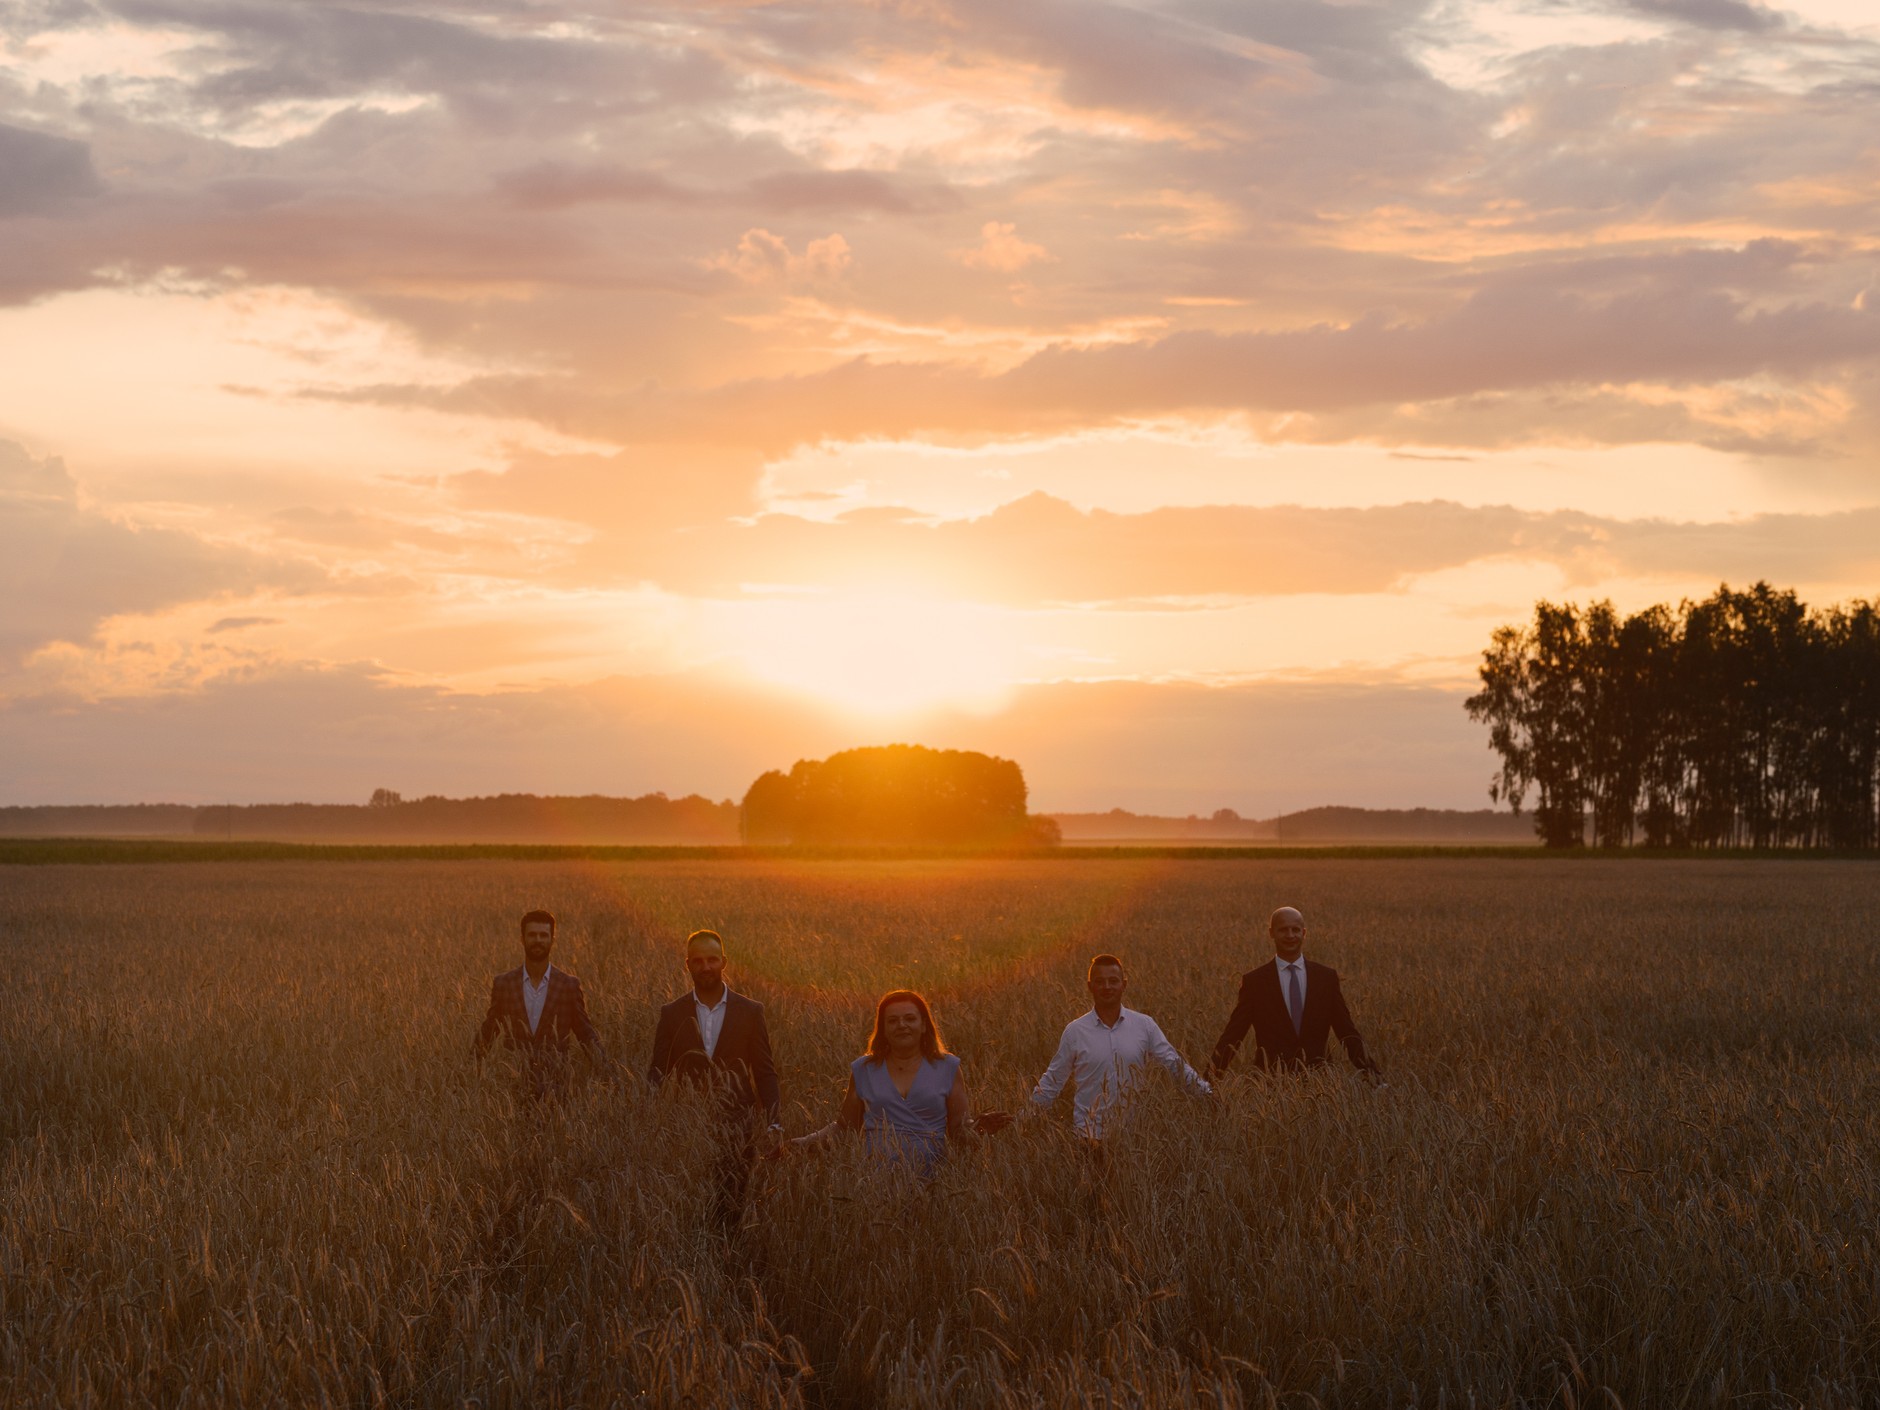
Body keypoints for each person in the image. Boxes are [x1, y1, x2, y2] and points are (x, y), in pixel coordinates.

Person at [788, 990, 1010, 1178]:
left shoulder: (948, 1067)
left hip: (935, 1178)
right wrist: (799, 1144)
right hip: (875, 1177)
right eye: (892, 1021)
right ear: (882, 1029)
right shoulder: (864, 1069)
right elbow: (844, 1128)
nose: (901, 1025)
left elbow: (958, 1129)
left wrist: (980, 1127)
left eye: (910, 1019)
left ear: (924, 1025)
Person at [648, 929, 781, 1228]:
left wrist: (773, 1122)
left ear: (724, 962)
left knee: (732, 1202)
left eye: (712, 959)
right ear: (687, 965)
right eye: (698, 961)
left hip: (739, 1124)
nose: (705, 967)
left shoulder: (750, 1011)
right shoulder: (671, 1013)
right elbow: (658, 1070)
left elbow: (764, 1071)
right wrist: (650, 1118)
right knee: (690, 1201)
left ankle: (728, 1262)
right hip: (687, 1125)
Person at [1029, 954, 1211, 1139]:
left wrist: (1207, 1095)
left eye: (1113, 981)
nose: (1107, 987)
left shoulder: (1144, 1025)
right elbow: (1053, 1080)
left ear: (1124, 985)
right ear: (1090, 986)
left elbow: (1175, 1064)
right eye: (1100, 982)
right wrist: (1025, 1118)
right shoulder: (1075, 1031)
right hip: (1088, 1138)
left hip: (1134, 1140)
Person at [1208, 906, 1381, 1079]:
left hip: (1321, 1084)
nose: (1290, 935)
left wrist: (1375, 1078)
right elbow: (1234, 1035)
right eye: (1283, 930)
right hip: (1270, 1086)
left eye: (1295, 930)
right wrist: (1208, 1082)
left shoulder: (1326, 978)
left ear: (1304, 933)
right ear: (1271, 933)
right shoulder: (1255, 982)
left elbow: (1347, 1032)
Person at [473, 909, 608, 1096]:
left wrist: (608, 1074)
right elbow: (489, 1031)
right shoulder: (504, 983)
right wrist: (469, 1071)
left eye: (544, 935)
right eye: (532, 935)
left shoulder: (568, 985)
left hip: (557, 1090)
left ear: (552, 939)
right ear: (522, 939)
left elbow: (585, 1033)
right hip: (513, 1088)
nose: (538, 940)